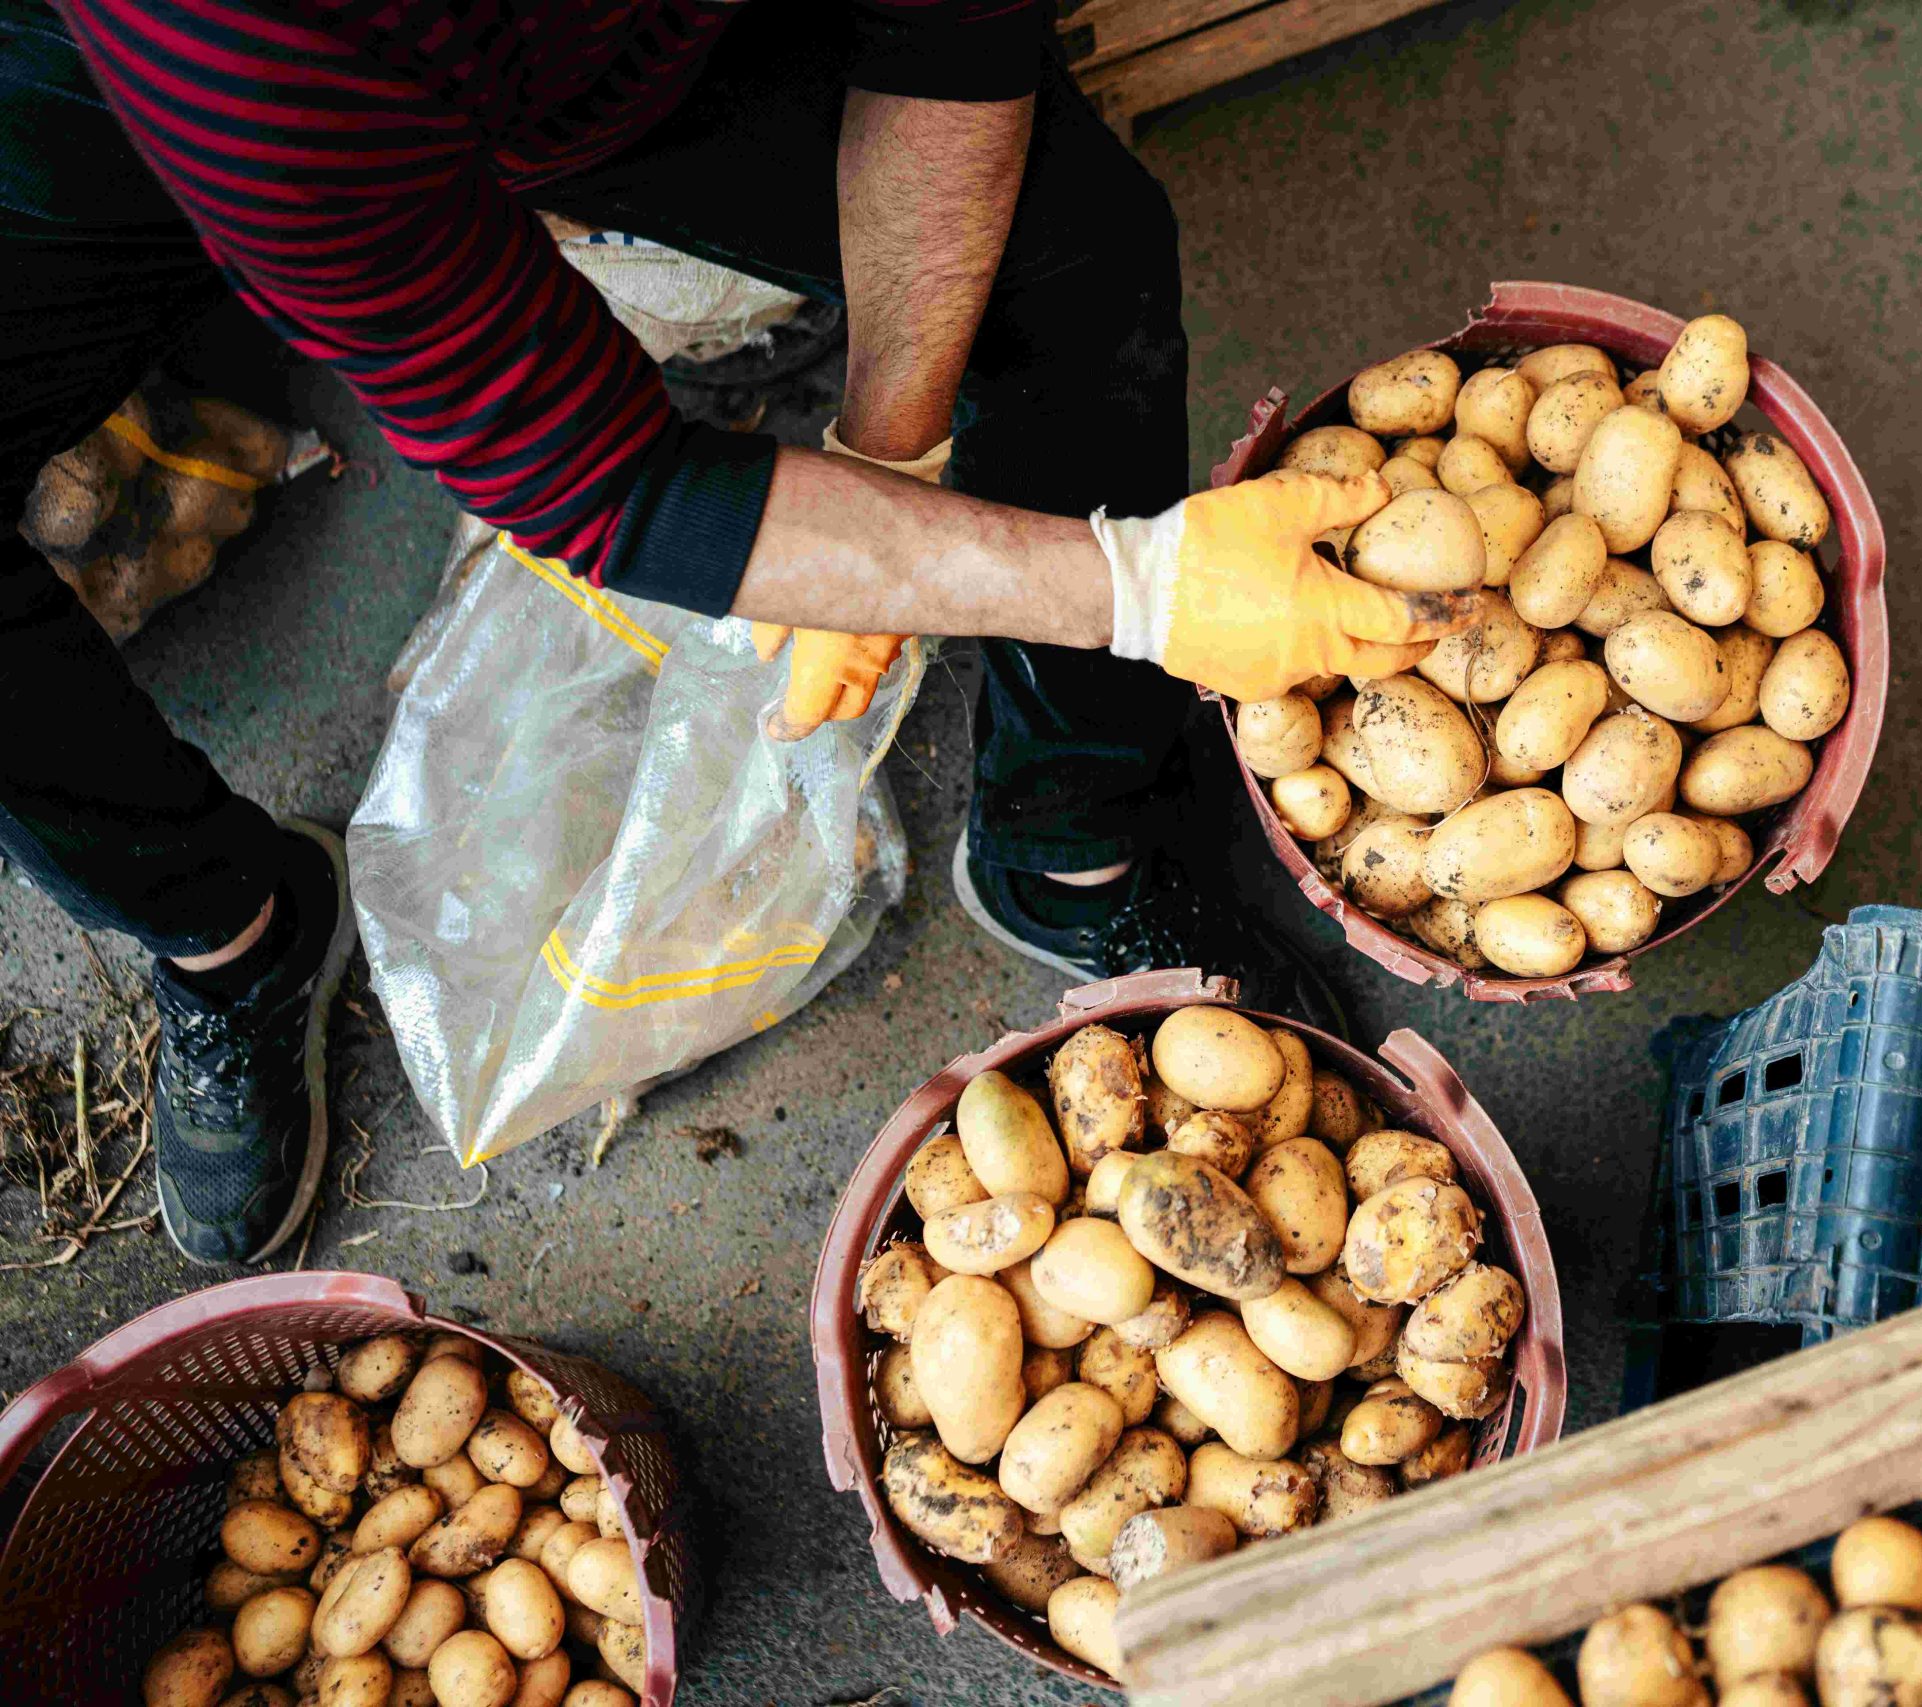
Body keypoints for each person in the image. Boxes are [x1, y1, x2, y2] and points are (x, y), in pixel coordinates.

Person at [0, 0, 1477, 1264]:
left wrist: (887, 459)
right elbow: (598, 475)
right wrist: (1136, 588)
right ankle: (230, 935)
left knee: (1076, 251)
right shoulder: (240, 44)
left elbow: (946, 46)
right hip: (108, 77)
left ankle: (1064, 839)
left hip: (601, 63)